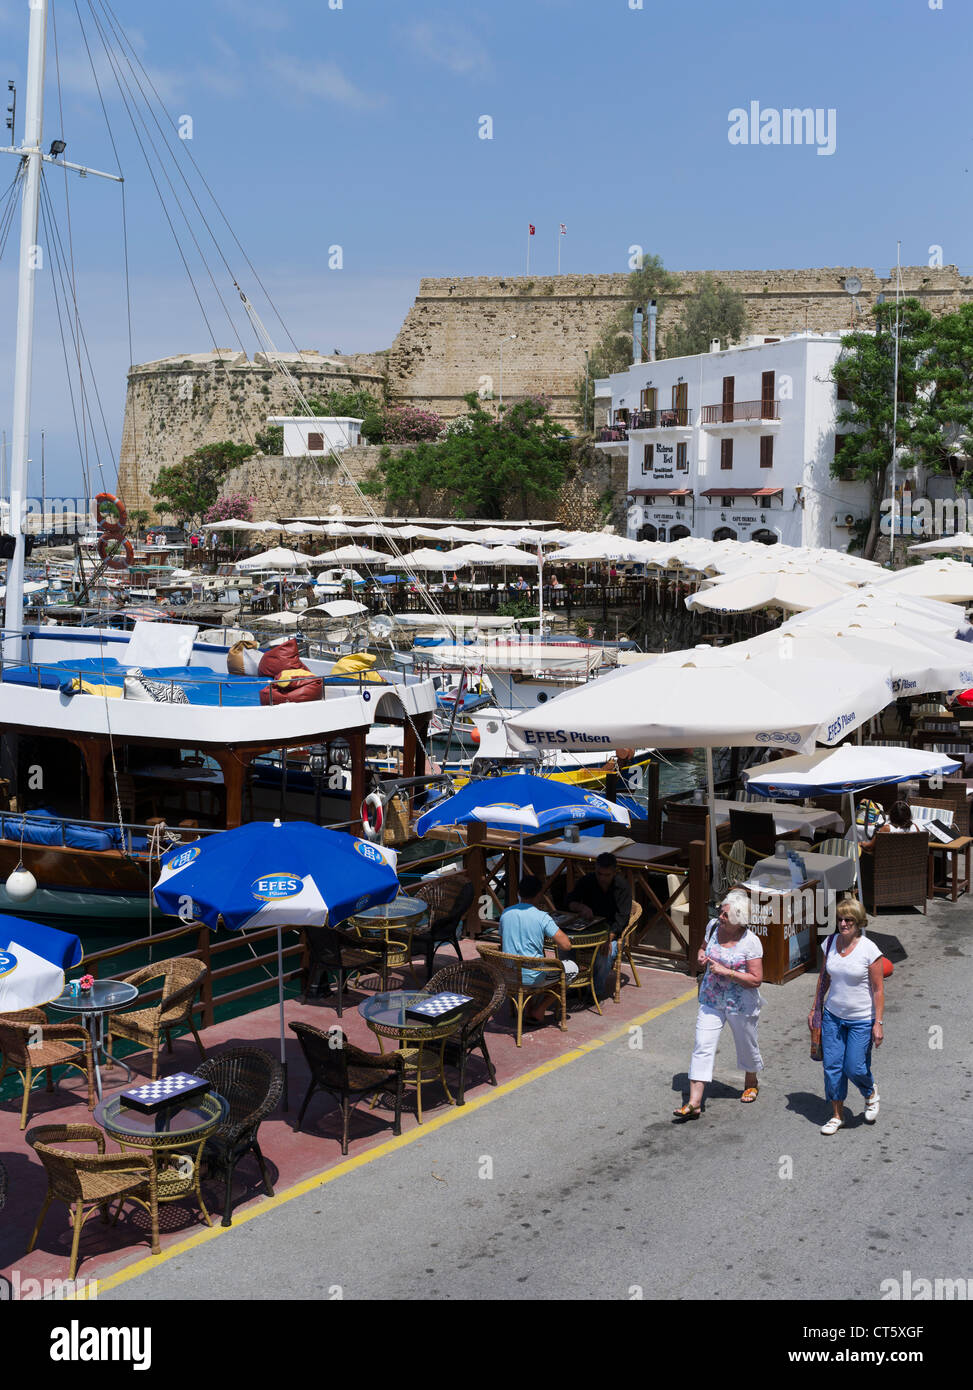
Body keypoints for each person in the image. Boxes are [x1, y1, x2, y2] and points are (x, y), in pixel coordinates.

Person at [673, 889, 764, 1120]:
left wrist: (727, 972)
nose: (720, 916)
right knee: (702, 1045)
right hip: (712, 998)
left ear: (739, 920)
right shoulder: (713, 926)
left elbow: (756, 980)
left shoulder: (751, 942)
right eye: (721, 912)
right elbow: (702, 947)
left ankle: (751, 1081)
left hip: (740, 1003)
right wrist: (701, 955)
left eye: (725, 915)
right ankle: (694, 1102)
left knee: (746, 1044)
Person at [811, 897, 883, 1135]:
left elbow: (878, 989)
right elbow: (824, 978)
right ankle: (837, 1115)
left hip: (861, 1019)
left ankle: (870, 1092)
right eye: (840, 919)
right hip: (833, 1016)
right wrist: (816, 1008)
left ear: (858, 922)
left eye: (848, 919)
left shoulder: (869, 950)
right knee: (832, 1067)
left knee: (854, 1067)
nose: (843, 923)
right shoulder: (830, 943)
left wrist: (878, 1023)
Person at [500, 874, 576, 1022]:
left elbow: (504, 944)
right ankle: (539, 1010)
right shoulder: (542, 917)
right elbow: (566, 945)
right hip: (531, 977)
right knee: (571, 968)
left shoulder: (505, 913)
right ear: (539, 894)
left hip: (509, 975)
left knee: (529, 960)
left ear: (519, 893)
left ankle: (528, 1007)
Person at [568, 852, 632, 999]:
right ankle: (571, 984)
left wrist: (608, 937)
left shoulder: (622, 887)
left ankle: (595, 991)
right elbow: (570, 900)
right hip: (588, 930)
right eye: (599, 874)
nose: (602, 878)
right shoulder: (588, 880)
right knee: (564, 947)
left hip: (612, 932)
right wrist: (580, 907)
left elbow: (623, 918)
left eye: (607, 875)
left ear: (614, 872)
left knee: (605, 953)